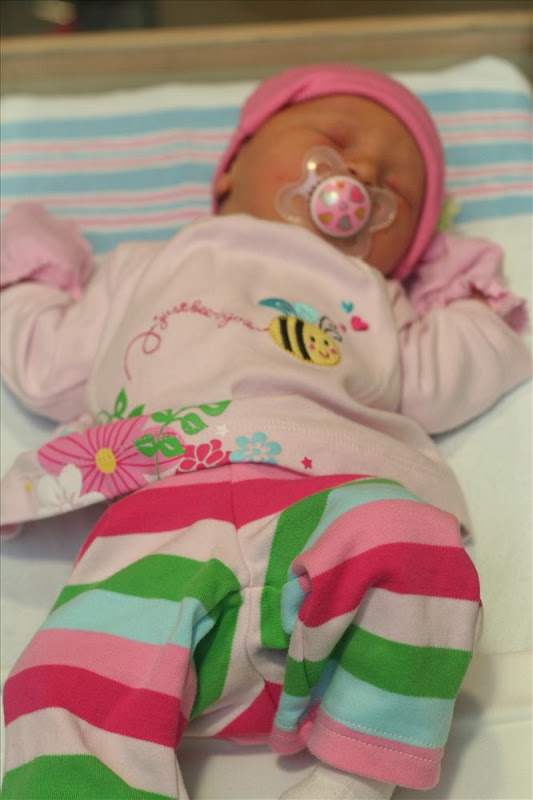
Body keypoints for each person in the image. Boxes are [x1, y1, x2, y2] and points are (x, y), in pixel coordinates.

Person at [0, 64, 531, 800]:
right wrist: (31, 271)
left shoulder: (377, 300)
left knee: (417, 546)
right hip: (160, 508)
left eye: (398, 192)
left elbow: (461, 369)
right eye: (334, 140)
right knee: (61, 682)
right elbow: (43, 362)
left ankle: (353, 779)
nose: (362, 173)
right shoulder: (148, 265)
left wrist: (457, 285)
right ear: (230, 173)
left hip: (326, 513)